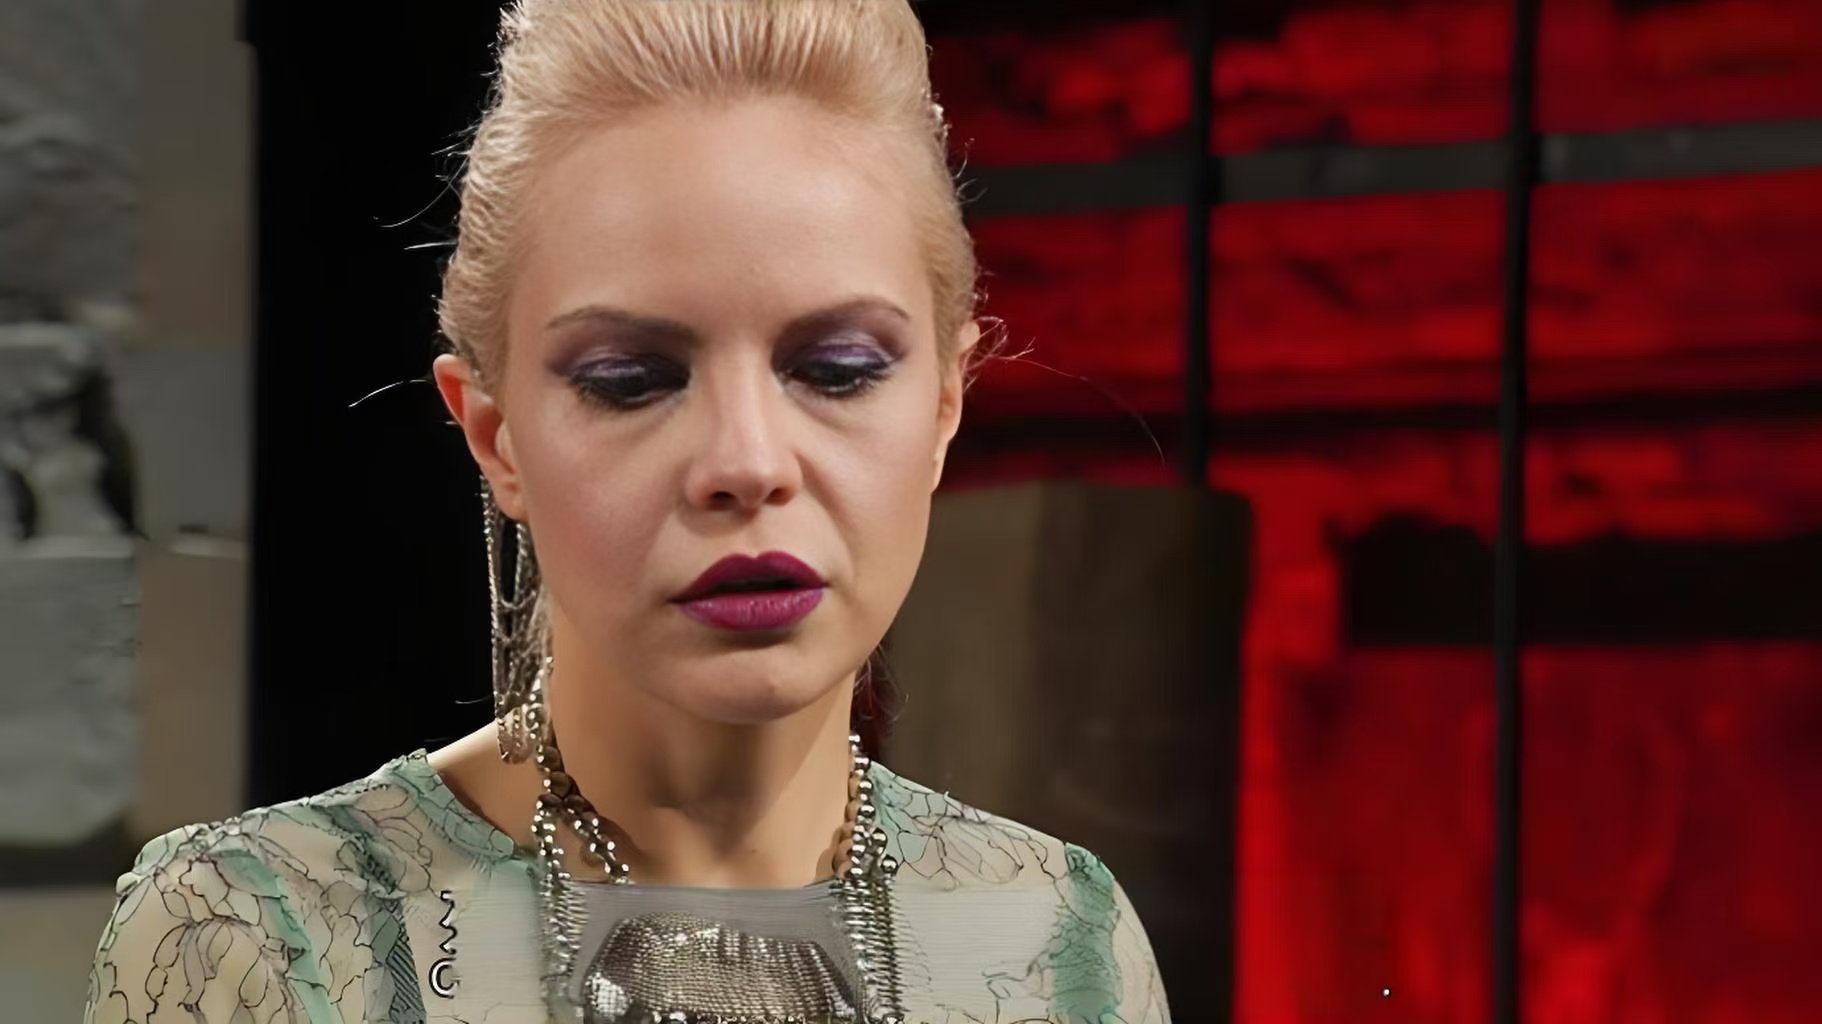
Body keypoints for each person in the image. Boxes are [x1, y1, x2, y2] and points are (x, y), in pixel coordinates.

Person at [84, 2, 1172, 1021]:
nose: (746, 463)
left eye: (837, 369)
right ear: (495, 435)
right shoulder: (262, 937)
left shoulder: (1058, 938)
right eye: (630, 380)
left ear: (942, 408)